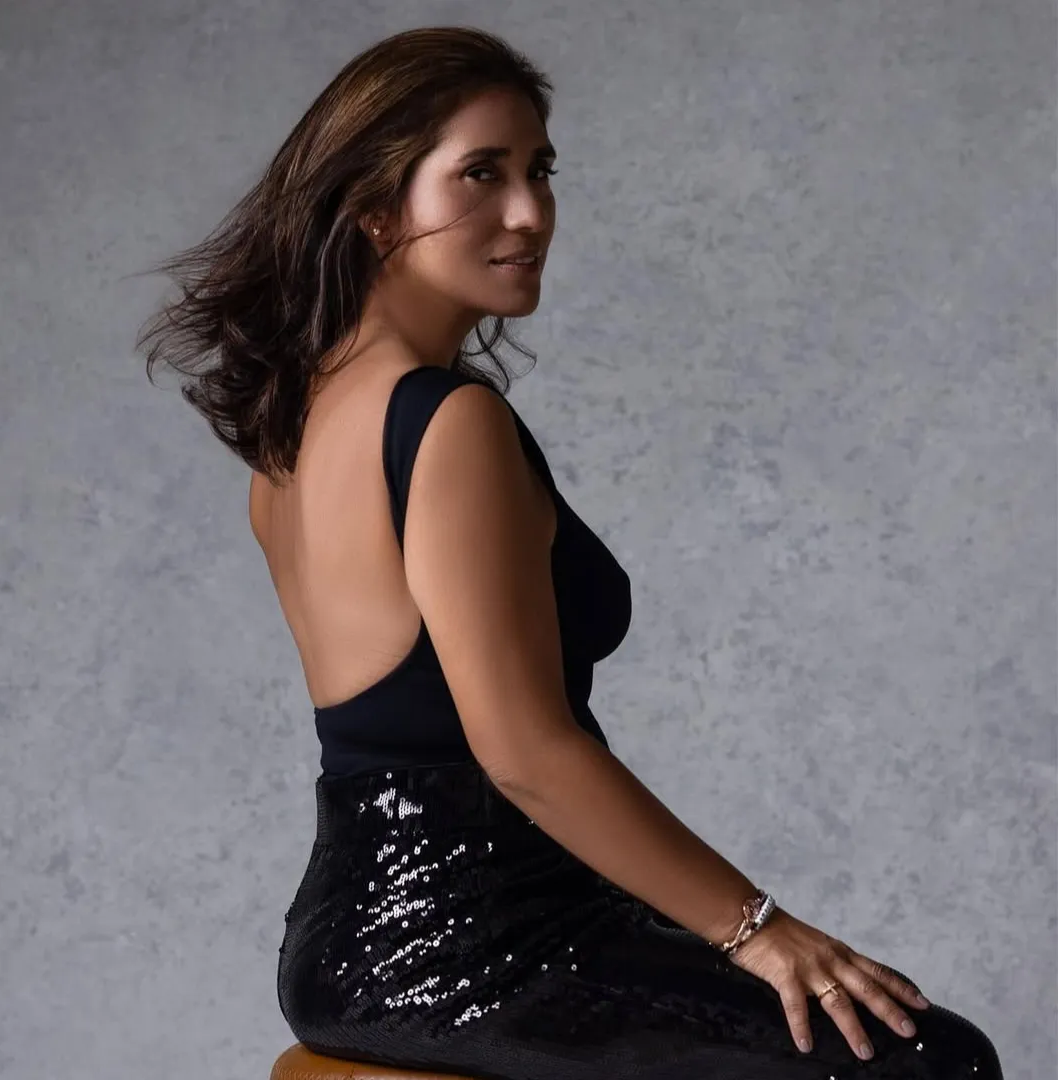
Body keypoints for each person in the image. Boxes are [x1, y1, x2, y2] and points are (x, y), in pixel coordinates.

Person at [137, 25, 1004, 1080]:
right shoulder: (445, 422)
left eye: (540, 171)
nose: (529, 212)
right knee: (931, 1061)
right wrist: (759, 929)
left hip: (358, 943)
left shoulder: (295, 438)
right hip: (478, 945)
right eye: (481, 174)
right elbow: (524, 751)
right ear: (375, 208)